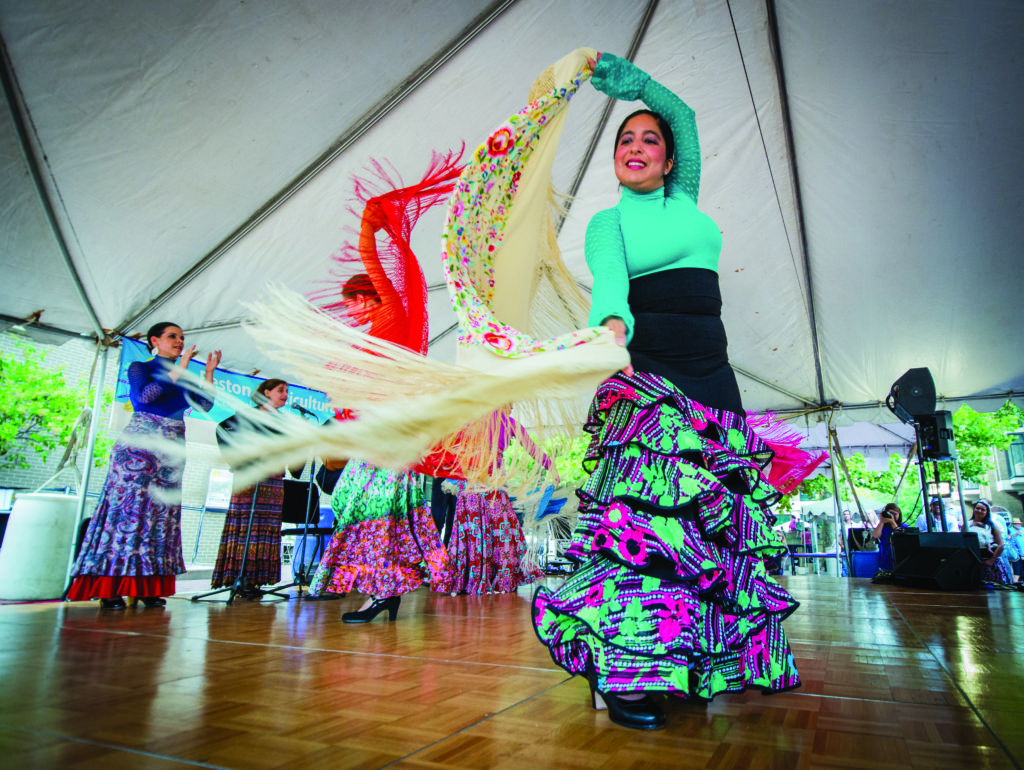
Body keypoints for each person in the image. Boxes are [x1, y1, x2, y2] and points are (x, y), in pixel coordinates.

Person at [531, 53, 808, 731]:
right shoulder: (609, 222)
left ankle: (696, 660)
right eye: (625, 139)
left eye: (648, 139)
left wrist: (629, 80)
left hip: (712, 376)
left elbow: (680, 113)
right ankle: (628, 674)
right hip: (649, 368)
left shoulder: (684, 199)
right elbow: (608, 282)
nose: (636, 146)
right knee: (647, 532)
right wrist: (614, 331)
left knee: (710, 529)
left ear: (667, 156)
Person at [68, 322, 220, 609]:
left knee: (161, 516)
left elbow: (204, 406)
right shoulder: (141, 366)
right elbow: (145, 397)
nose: (179, 341)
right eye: (172, 336)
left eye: (181, 337)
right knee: (129, 511)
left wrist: (208, 374)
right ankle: (110, 587)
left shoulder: (183, 374)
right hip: (141, 446)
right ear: (155, 340)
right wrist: (180, 366)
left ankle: (148, 586)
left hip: (173, 446)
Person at [210, 378, 304, 599]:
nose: (285, 395)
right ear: (266, 393)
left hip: (273, 481)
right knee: (247, 528)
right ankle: (239, 579)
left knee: (266, 529)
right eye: (280, 390)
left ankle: (257, 580)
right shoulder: (247, 415)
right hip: (250, 479)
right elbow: (222, 429)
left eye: (287, 391)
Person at [432, 482, 543, 595]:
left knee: (500, 524)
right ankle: (477, 577)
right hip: (472, 481)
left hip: (492, 479)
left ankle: (502, 577)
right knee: (478, 525)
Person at [964, 500, 1013, 585]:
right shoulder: (966, 525)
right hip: (973, 558)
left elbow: (1001, 544)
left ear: (987, 512)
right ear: (974, 509)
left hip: (989, 559)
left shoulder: (992, 526)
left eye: (983, 509)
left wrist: (991, 560)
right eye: (977, 508)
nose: (979, 511)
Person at [870, 503, 909, 573]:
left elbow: (900, 536)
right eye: (890, 513)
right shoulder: (883, 526)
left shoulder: (904, 526)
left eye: (895, 514)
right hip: (885, 559)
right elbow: (876, 535)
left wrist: (893, 522)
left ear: (899, 514)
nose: (892, 516)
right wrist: (882, 521)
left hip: (899, 559)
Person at [1007, 519, 1024, 585]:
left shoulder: (1023, 529)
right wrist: (1016, 534)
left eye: (1019, 523)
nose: (1019, 525)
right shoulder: (1010, 530)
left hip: (1023, 551)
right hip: (1015, 552)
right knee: (1017, 568)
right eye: (1017, 523)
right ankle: (1015, 582)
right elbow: (1008, 538)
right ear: (1014, 524)